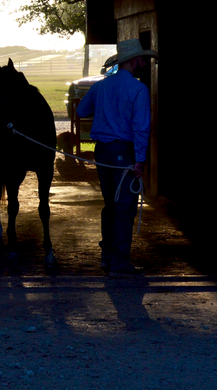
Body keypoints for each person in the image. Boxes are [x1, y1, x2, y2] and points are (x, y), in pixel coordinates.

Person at [77, 38, 158, 278]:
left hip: (102, 151)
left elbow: (82, 111)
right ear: (133, 61)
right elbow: (141, 127)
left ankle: (107, 256)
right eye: (142, 58)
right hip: (124, 152)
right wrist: (140, 161)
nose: (144, 62)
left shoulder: (101, 86)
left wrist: (105, 110)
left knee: (111, 204)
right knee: (124, 206)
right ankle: (119, 262)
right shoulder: (138, 89)